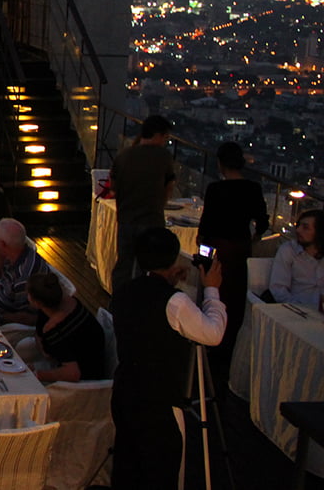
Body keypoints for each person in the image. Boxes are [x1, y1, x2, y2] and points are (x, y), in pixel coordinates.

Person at [111, 226, 225, 489]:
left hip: (126, 391)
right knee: (161, 472)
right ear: (175, 259)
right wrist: (212, 291)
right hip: (158, 402)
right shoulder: (174, 302)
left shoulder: (125, 291)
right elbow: (213, 333)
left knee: (128, 467)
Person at [196, 141, 269, 364]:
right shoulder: (253, 189)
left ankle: (211, 339)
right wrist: (253, 238)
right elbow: (263, 222)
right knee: (236, 298)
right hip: (241, 250)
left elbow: (206, 227)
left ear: (220, 164)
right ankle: (230, 347)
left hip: (218, 250)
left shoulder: (216, 189)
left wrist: (203, 252)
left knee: (214, 291)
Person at [110, 115, 175, 294]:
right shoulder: (163, 157)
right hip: (152, 219)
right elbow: (169, 186)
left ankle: (118, 303)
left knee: (124, 263)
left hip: (126, 218)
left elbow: (113, 186)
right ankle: (140, 304)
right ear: (159, 135)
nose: (165, 141)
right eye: (165, 137)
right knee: (146, 267)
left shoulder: (124, 155)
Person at [27, 272, 105, 382]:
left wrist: (36, 375)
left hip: (86, 379)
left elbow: (73, 373)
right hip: (84, 361)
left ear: (36, 302)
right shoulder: (70, 302)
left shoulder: (55, 330)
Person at [0, 219, 51, 326]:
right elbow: (5, 282)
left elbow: (27, 316)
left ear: (3, 244)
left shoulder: (25, 276)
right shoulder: (16, 254)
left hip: (6, 324)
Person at [270, 209, 323, 306]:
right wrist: (299, 308)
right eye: (299, 226)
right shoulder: (289, 251)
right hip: (297, 311)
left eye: (305, 228)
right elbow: (278, 289)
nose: (298, 230)